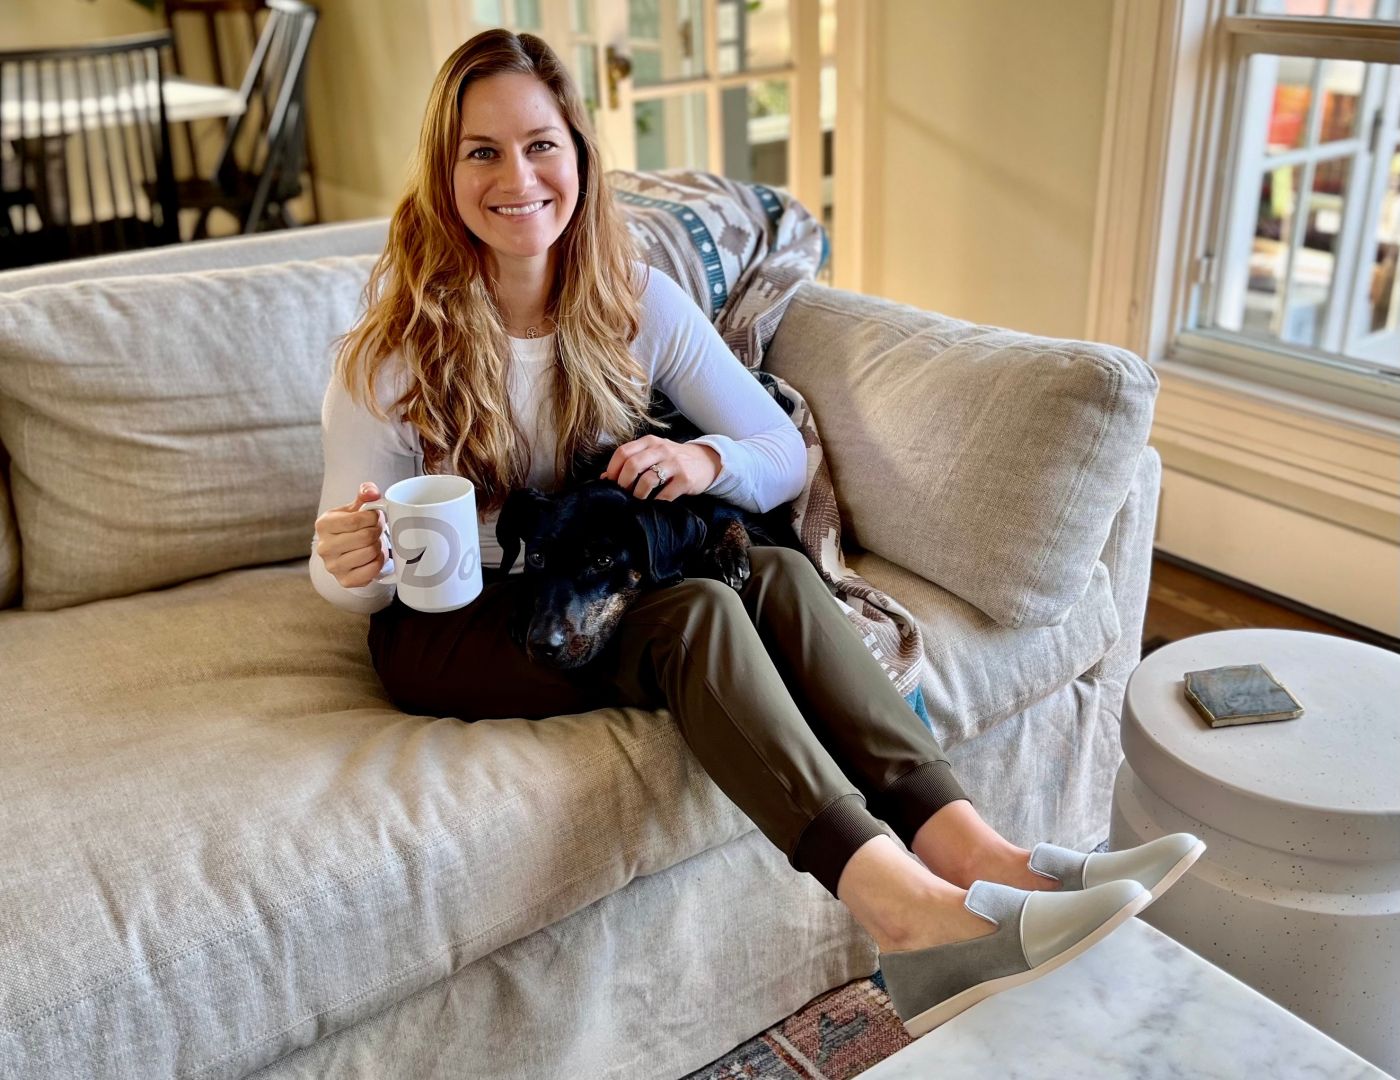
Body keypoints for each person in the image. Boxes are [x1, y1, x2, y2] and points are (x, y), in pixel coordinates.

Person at [308, 28, 1204, 1036]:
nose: (517, 178)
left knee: (769, 571)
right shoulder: (388, 354)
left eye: (540, 144)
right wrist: (350, 562)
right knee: (693, 614)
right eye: (482, 151)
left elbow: (777, 451)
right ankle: (906, 918)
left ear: (580, 156)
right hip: (450, 624)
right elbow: (348, 572)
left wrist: (704, 462)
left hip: (584, 576)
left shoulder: (630, 300)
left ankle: (981, 856)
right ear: (444, 171)